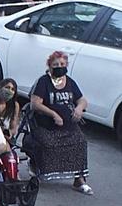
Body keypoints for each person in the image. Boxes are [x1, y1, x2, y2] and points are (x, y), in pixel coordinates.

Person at [25, 47, 90, 193]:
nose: (59, 67)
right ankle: (37, 166)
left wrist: (79, 108)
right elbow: (35, 104)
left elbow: (82, 100)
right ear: (49, 66)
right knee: (48, 143)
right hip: (46, 125)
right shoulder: (43, 82)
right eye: (56, 65)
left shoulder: (70, 82)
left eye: (62, 64)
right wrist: (53, 114)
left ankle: (79, 179)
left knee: (80, 141)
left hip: (68, 125)